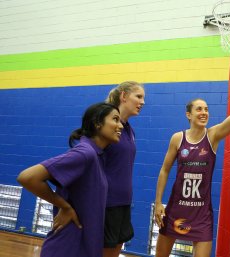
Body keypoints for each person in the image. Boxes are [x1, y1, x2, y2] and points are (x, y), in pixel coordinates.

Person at [153, 57, 230, 257]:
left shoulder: (213, 136)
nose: (204, 112)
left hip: (201, 214)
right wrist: (158, 202)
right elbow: (165, 170)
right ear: (188, 115)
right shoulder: (178, 138)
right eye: (199, 109)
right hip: (176, 209)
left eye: (206, 109)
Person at [17, 102, 123, 257]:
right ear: (97, 123)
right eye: (115, 119)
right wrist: (65, 207)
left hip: (84, 246)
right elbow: (27, 177)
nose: (120, 126)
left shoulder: (98, 156)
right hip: (67, 247)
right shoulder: (85, 154)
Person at [103, 81, 145, 257]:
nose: (142, 102)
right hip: (106, 202)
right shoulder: (105, 125)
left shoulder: (129, 130)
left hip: (124, 201)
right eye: (139, 96)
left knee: (116, 250)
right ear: (124, 96)